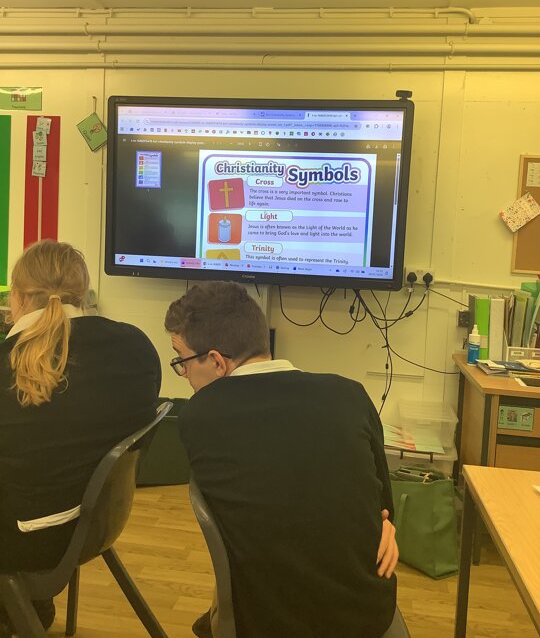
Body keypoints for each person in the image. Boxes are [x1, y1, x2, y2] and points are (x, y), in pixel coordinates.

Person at [165, 281, 399, 638]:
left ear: (215, 361)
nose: (183, 376)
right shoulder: (350, 395)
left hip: (267, 622)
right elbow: (384, 509)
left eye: (181, 361)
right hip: (369, 614)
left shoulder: (199, 417)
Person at [0, 240, 161, 636]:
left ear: (17, 297)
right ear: (84, 292)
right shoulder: (136, 347)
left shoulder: (7, 364)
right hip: (92, 525)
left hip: (25, 541)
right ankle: (25, 609)